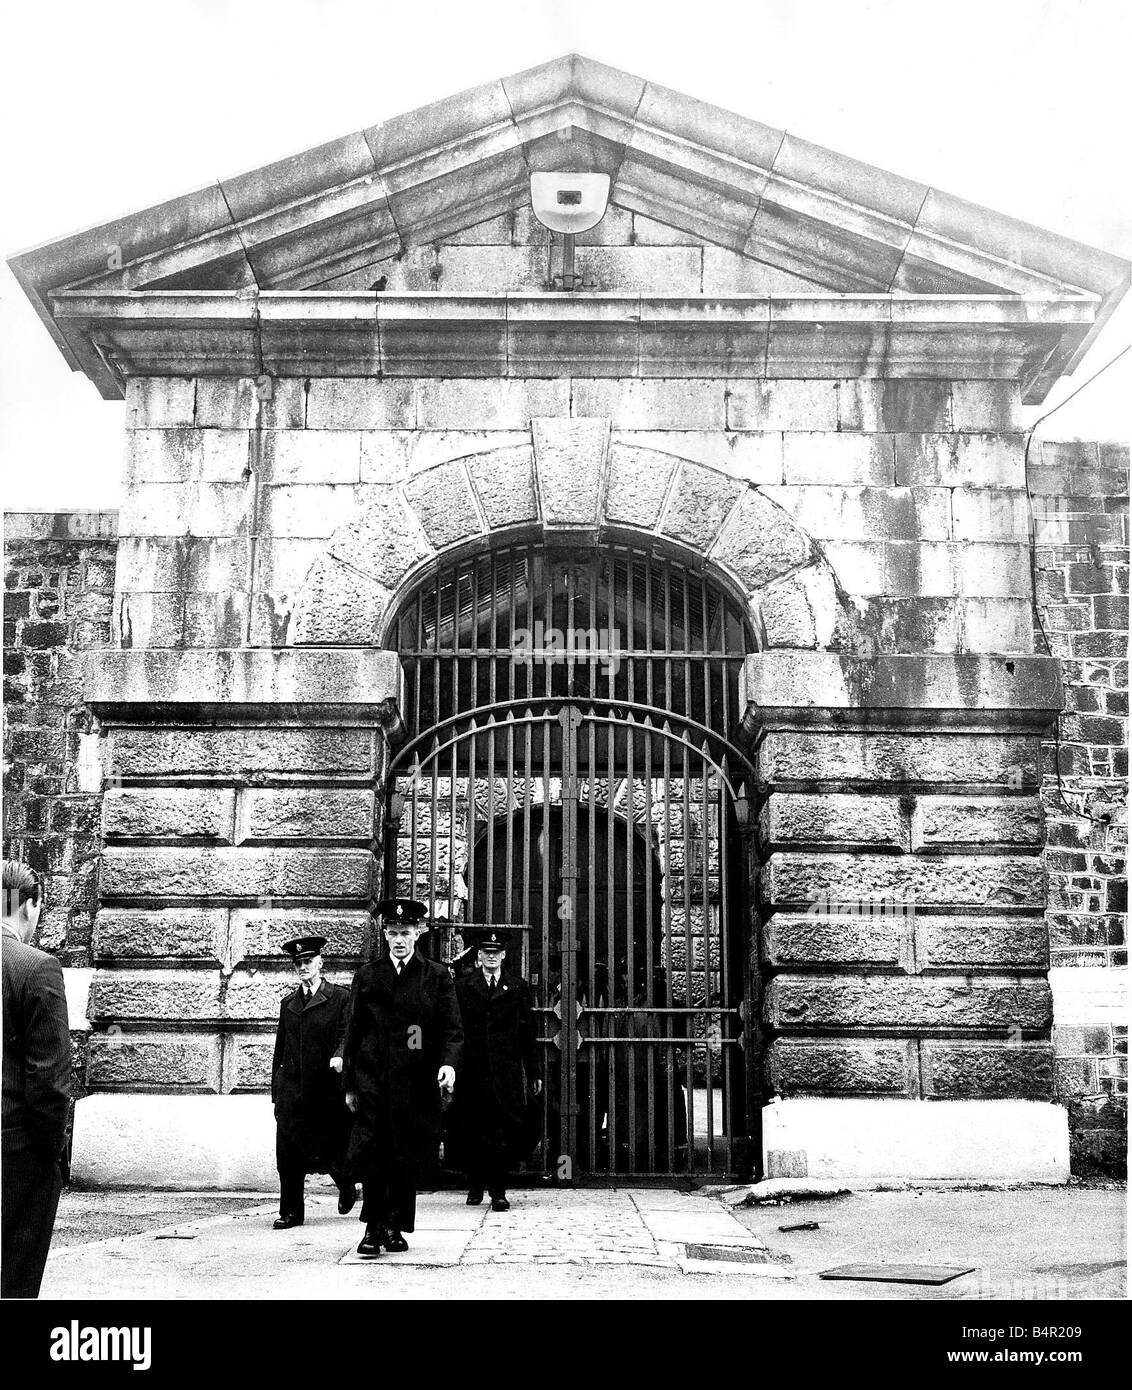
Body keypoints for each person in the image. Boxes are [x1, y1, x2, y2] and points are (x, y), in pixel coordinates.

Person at [342, 899, 462, 1257]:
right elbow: (353, 1031)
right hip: (373, 1080)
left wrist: (448, 1064)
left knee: (406, 1154)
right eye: (392, 933)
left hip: (415, 1083)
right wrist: (350, 1083)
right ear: (384, 933)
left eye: (405, 933)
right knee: (375, 1152)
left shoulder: (436, 976)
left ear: (418, 933)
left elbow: (452, 1029)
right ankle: (372, 1227)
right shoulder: (368, 975)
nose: (398, 940)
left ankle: (396, 1226)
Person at [2, 860, 71, 1298]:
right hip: (18, 1157)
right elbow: (49, 1083)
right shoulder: (36, 968)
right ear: (29, 907)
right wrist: (52, 1154)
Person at [449, 927, 540, 1211]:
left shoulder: (517, 988)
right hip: (473, 1070)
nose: (491, 957)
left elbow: (527, 1033)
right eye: (486, 953)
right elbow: (456, 1030)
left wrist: (533, 1070)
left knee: (504, 1130)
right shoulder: (464, 987)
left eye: (496, 953)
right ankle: (476, 1184)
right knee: (474, 1128)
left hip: (505, 1071)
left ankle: (498, 1190)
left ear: (503, 955)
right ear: (479, 956)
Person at [270, 935, 354, 1229]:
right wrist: (276, 1092)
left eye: (308, 961)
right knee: (288, 1152)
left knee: (329, 1148)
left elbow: (347, 1034)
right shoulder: (288, 1004)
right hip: (293, 1090)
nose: (303, 967)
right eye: (298, 963)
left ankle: (346, 1184)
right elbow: (281, 1050)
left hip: (325, 1088)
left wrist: (340, 1056)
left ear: (321, 962)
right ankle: (291, 1212)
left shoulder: (340, 997)